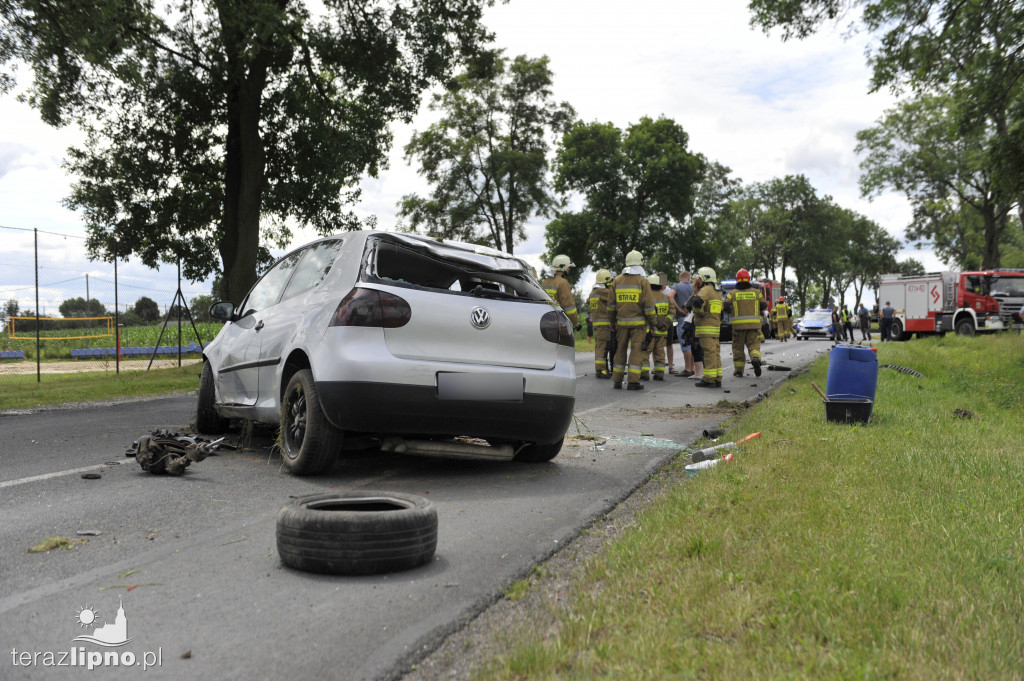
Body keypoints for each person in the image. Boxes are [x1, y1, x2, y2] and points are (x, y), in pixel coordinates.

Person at [608, 250, 658, 390]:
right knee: (637, 351)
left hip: (621, 324)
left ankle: (617, 380)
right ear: (640, 263)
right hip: (638, 325)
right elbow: (649, 306)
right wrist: (653, 324)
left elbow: (611, 306)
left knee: (620, 350)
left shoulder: (616, 280)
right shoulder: (643, 281)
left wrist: (612, 323)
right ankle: (633, 381)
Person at [723, 268, 766, 378]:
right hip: (754, 326)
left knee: (738, 348)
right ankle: (755, 359)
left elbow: (726, 307)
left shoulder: (732, 294)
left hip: (738, 327)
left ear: (737, 280)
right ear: (749, 280)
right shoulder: (757, 293)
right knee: (753, 346)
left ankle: (738, 371)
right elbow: (764, 305)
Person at [688, 266, 723, 388]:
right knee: (715, 353)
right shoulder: (717, 292)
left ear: (703, 278)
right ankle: (717, 378)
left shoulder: (705, 290)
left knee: (708, 353)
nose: (697, 280)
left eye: (698, 278)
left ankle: (709, 379)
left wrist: (699, 312)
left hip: (705, 327)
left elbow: (696, 303)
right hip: (715, 327)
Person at [644, 274, 674, 380]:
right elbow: (672, 313)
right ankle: (660, 374)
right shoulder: (666, 298)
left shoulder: (646, 298)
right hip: (662, 332)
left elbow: (646, 314)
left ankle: (644, 374)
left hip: (649, 331)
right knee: (660, 353)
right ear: (660, 286)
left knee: (645, 352)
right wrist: (665, 324)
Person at [666, 270, 695, 376]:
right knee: (692, 344)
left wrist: (678, 309)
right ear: (688, 278)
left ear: (680, 278)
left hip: (683, 318)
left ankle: (687, 369)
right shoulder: (693, 287)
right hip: (693, 318)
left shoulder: (677, 286)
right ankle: (692, 368)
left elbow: (669, 296)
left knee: (685, 344)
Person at [541, 255, 580, 330]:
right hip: (559, 323)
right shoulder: (563, 283)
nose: (569, 269)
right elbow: (569, 307)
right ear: (563, 267)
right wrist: (576, 323)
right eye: (568, 267)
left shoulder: (544, 282)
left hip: (544, 322)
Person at [587, 269, 614, 378]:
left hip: (597, 324)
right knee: (603, 347)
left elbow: (587, 301)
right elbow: (614, 298)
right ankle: (601, 370)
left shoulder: (593, 292)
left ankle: (601, 368)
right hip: (603, 324)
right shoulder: (603, 292)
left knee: (599, 346)